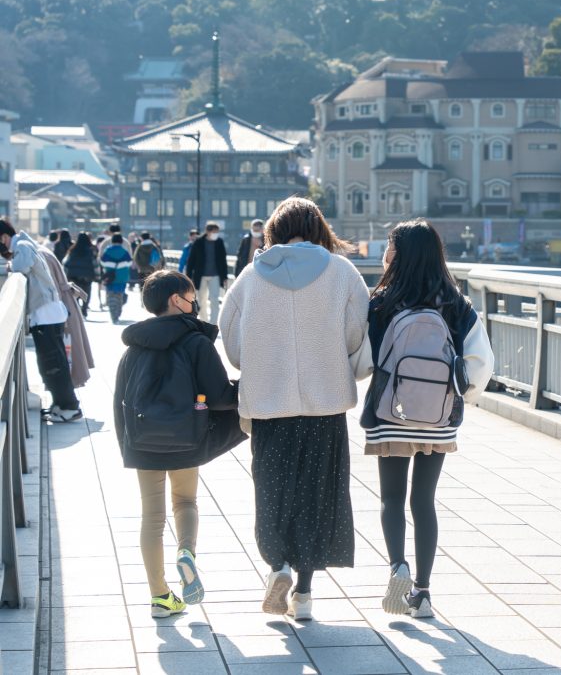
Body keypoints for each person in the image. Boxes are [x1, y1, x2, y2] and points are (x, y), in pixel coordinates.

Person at [220, 197, 370, 621]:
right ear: (318, 227)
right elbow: (360, 332)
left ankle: (277, 565)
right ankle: (303, 595)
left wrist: (254, 365)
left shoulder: (251, 276)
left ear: (274, 230)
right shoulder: (341, 272)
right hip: (325, 405)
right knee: (318, 495)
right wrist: (342, 367)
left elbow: (230, 337)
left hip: (269, 404)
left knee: (272, 489)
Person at [362, 219, 494, 619]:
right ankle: (422, 593)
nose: (385, 253)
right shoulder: (457, 304)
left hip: (390, 414)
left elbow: (363, 359)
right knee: (424, 500)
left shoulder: (381, 302)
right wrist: (460, 396)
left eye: (389, 246)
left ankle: (397, 566)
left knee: (390, 498)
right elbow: (481, 364)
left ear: (398, 254)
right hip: (439, 417)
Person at [113, 270, 241, 618]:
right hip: (187, 437)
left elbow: (119, 400)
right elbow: (219, 398)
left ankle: (160, 596)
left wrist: (127, 444)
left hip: (142, 440)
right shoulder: (195, 341)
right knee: (185, 501)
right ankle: (186, 552)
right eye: (190, 294)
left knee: (151, 517)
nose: (194, 300)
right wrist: (244, 389)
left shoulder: (134, 345)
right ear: (176, 300)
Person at [0, 219, 83, 422]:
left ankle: (70, 407)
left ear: (3, 237)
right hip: (46, 313)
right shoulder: (24, 243)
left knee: (54, 363)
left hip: (46, 313)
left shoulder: (22, 245)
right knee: (50, 363)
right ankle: (60, 404)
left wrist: (8, 266)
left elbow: (21, 267)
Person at [41, 246, 94, 388]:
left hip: (63, 300)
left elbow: (67, 264)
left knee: (67, 350)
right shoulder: (44, 252)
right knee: (72, 347)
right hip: (70, 296)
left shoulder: (45, 253)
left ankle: (68, 397)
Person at [185, 222, 228, 322]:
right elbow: (191, 260)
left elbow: (223, 260)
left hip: (216, 275)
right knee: (201, 300)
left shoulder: (219, 242)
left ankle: (213, 324)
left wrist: (224, 276)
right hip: (201, 276)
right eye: (214, 232)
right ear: (208, 231)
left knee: (214, 300)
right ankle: (204, 321)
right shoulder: (198, 242)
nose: (216, 234)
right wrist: (188, 276)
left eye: (217, 232)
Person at [100, 234, 133, 324]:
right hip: (123, 276)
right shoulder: (124, 251)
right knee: (120, 294)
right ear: (121, 241)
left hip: (110, 276)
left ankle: (113, 315)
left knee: (110, 295)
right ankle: (118, 312)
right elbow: (130, 263)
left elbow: (102, 262)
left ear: (112, 241)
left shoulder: (108, 250)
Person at [64, 233, 98, 317]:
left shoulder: (72, 250)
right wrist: (97, 275)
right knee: (87, 292)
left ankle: (77, 308)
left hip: (74, 275)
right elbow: (95, 264)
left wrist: (65, 274)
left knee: (76, 292)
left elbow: (66, 263)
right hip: (87, 275)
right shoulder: (91, 250)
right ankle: (84, 309)